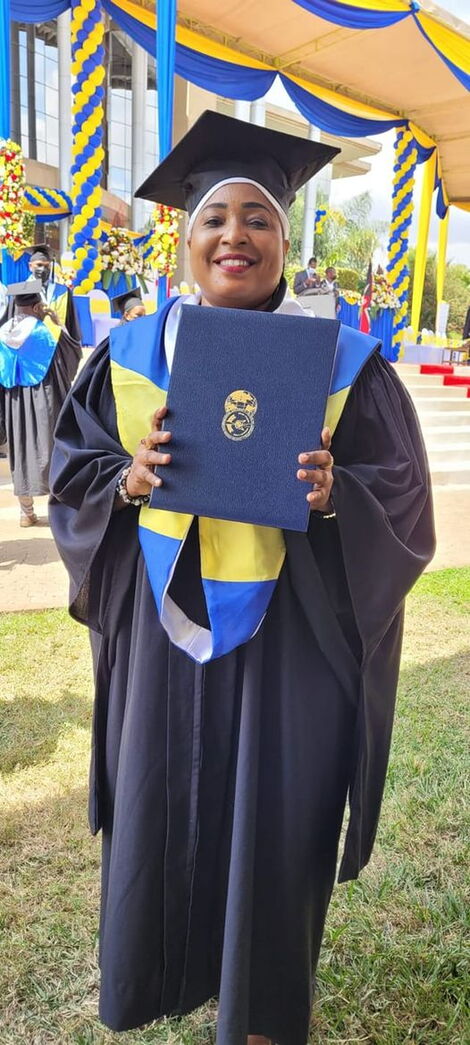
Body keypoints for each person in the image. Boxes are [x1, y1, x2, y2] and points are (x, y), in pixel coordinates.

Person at [49, 110, 435, 1045]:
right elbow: (74, 477)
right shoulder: (126, 358)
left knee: (278, 830)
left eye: (257, 217)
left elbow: (407, 505)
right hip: (163, 644)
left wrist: (338, 495)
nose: (235, 235)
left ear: (285, 238)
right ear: (185, 236)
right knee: (167, 817)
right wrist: (126, 480)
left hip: (289, 649)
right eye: (214, 216)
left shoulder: (347, 367)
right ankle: (175, 977)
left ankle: (268, 1018)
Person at [0, 279, 82, 526]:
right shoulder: (43, 335)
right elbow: (70, 359)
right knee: (50, 449)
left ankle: (26, 513)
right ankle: (61, 512)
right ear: (37, 308)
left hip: (13, 406)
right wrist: (57, 323)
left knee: (19, 451)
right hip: (43, 403)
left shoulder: (2, 336)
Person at [2, 243, 82, 345]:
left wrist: (74, 346)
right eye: (39, 265)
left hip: (57, 347)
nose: (43, 269)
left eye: (47, 266)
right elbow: (9, 321)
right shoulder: (20, 290)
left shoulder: (63, 291)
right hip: (28, 347)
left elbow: (72, 324)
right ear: (30, 266)